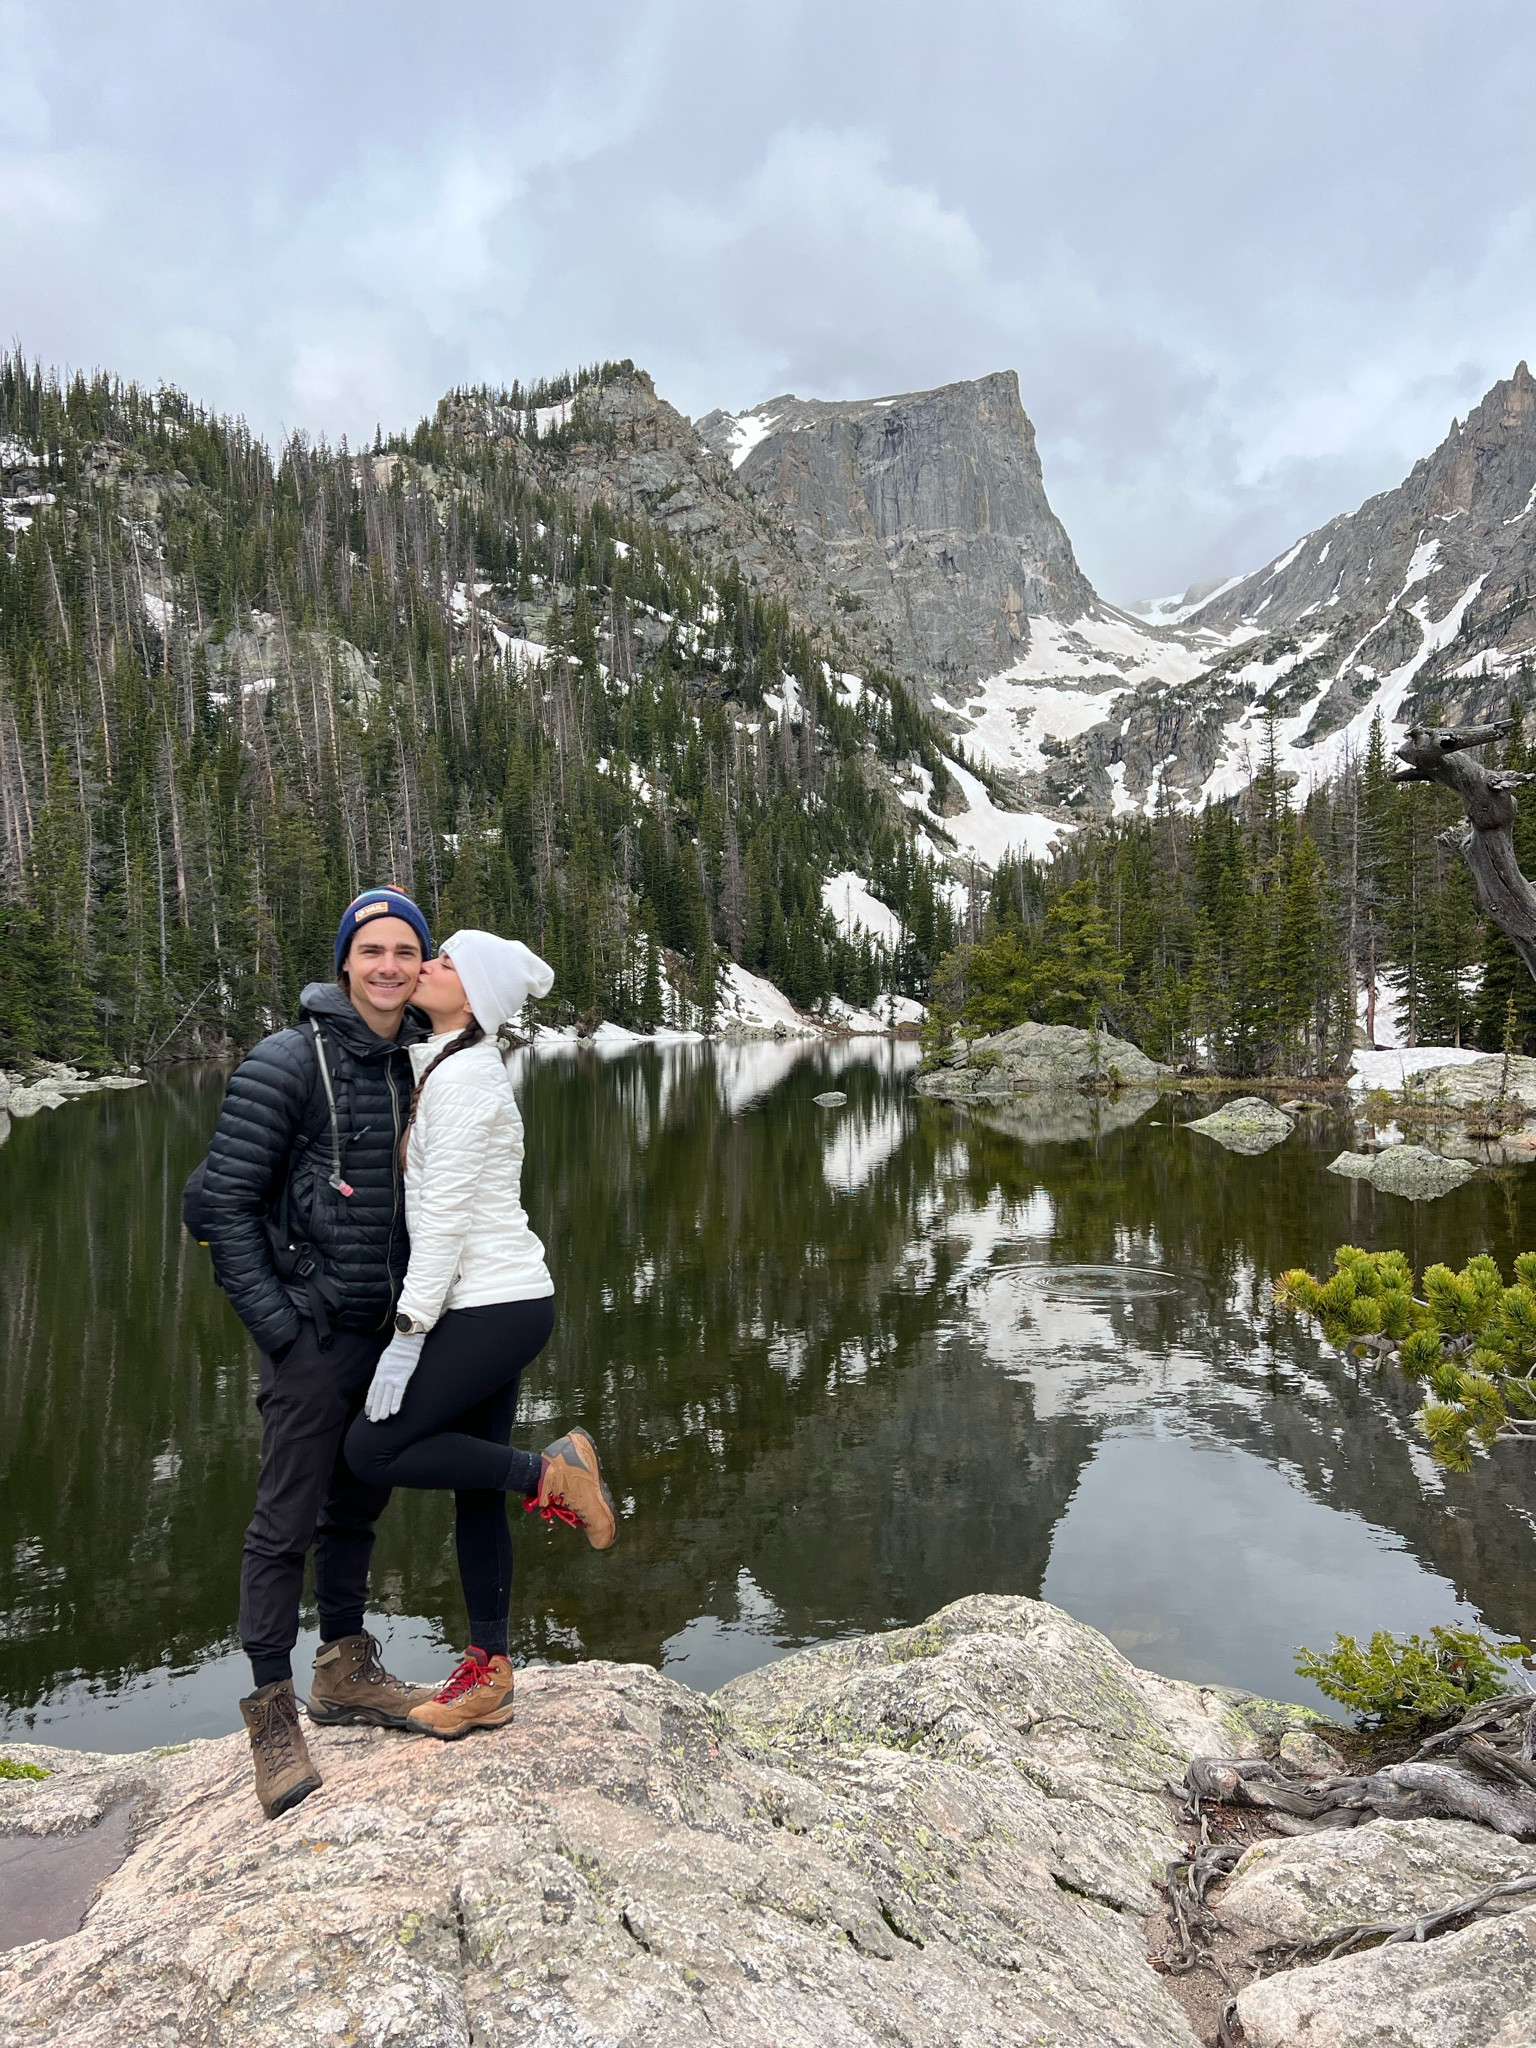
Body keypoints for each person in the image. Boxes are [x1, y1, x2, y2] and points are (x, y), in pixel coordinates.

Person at [201, 886, 439, 1819]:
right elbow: (222, 1206)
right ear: (344, 962)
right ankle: (271, 1716)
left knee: (357, 1507)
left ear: (422, 965)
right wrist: (280, 1329)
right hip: (313, 1333)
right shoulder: (287, 1060)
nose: (388, 966)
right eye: (372, 950)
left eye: (405, 951)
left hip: (389, 1334)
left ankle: (344, 1668)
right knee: (282, 1523)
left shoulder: (419, 1062)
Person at [345, 929, 617, 1740]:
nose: (425, 964)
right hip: (495, 1302)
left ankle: (553, 1471)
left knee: (372, 1451)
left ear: (475, 998)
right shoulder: (445, 1064)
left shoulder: (466, 1080)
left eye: (446, 962)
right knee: (475, 1488)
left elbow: (449, 1223)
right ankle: (489, 1675)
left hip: (488, 1306)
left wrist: (407, 1332)